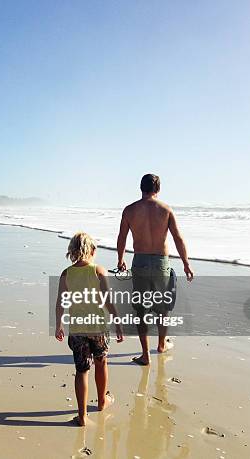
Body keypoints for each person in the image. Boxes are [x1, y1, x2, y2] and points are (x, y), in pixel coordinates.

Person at [116, 174, 194, 366]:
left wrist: (120, 260)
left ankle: (145, 355)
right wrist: (186, 263)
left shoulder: (130, 210)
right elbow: (178, 238)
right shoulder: (166, 209)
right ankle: (161, 344)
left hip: (140, 261)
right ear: (158, 189)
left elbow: (122, 238)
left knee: (141, 310)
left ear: (140, 187)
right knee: (162, 308)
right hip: (161, 263)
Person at [55, 232, 124, 426]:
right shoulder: (99, 271)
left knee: (81, 370)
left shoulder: (66, 273)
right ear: (92, 250)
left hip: (77, 330)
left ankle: (83, 415)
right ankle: (102, 401)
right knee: (101, 362)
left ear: (73, 251)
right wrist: (118, 323)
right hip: (98, 329)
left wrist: (58, 324)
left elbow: (60, 302)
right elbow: (108, 301)